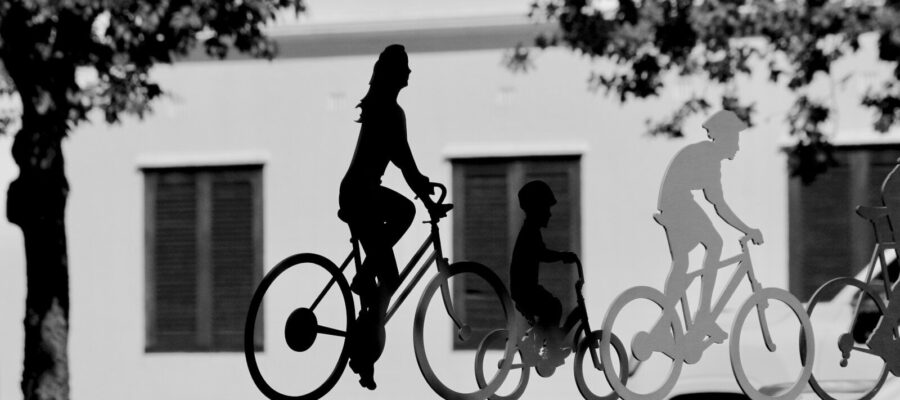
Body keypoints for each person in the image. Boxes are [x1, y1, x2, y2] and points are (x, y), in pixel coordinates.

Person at [338, 44, 450, 390]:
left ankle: (365, 350)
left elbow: (406, 163)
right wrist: (426, 196)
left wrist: (424, 191)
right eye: (404, 66)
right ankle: (365, 338)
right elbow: (405, 163)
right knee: (389, 272)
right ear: (394, 73)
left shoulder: (383, 108)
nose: (409, 72)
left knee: (384, 282)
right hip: (363, 195)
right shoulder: (389, 112)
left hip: (361, 193)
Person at [654, 110, 763, 343]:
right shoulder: (708, 158)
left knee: (681, 263)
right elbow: (719, 205)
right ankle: (703, 316)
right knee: (715, 243)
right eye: (735, 140)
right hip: (679, 203)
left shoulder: (705, 154)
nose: (738, 147)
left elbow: (717, 203)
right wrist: (748, 230)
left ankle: (663, 325)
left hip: (670, 205)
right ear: (724, 138)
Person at [509, 180, 578, 370]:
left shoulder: (531, 230)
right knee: (553, 307)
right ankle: (550, 350)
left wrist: (562, 256)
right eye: (546, 208)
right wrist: (563, 256)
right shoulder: (530, 231)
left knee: (550, 309)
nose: (549, 213)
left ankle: (538, 341)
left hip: (524, 288)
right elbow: (542, 254)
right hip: (525, 289)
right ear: (536, 208)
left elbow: (541, 253)